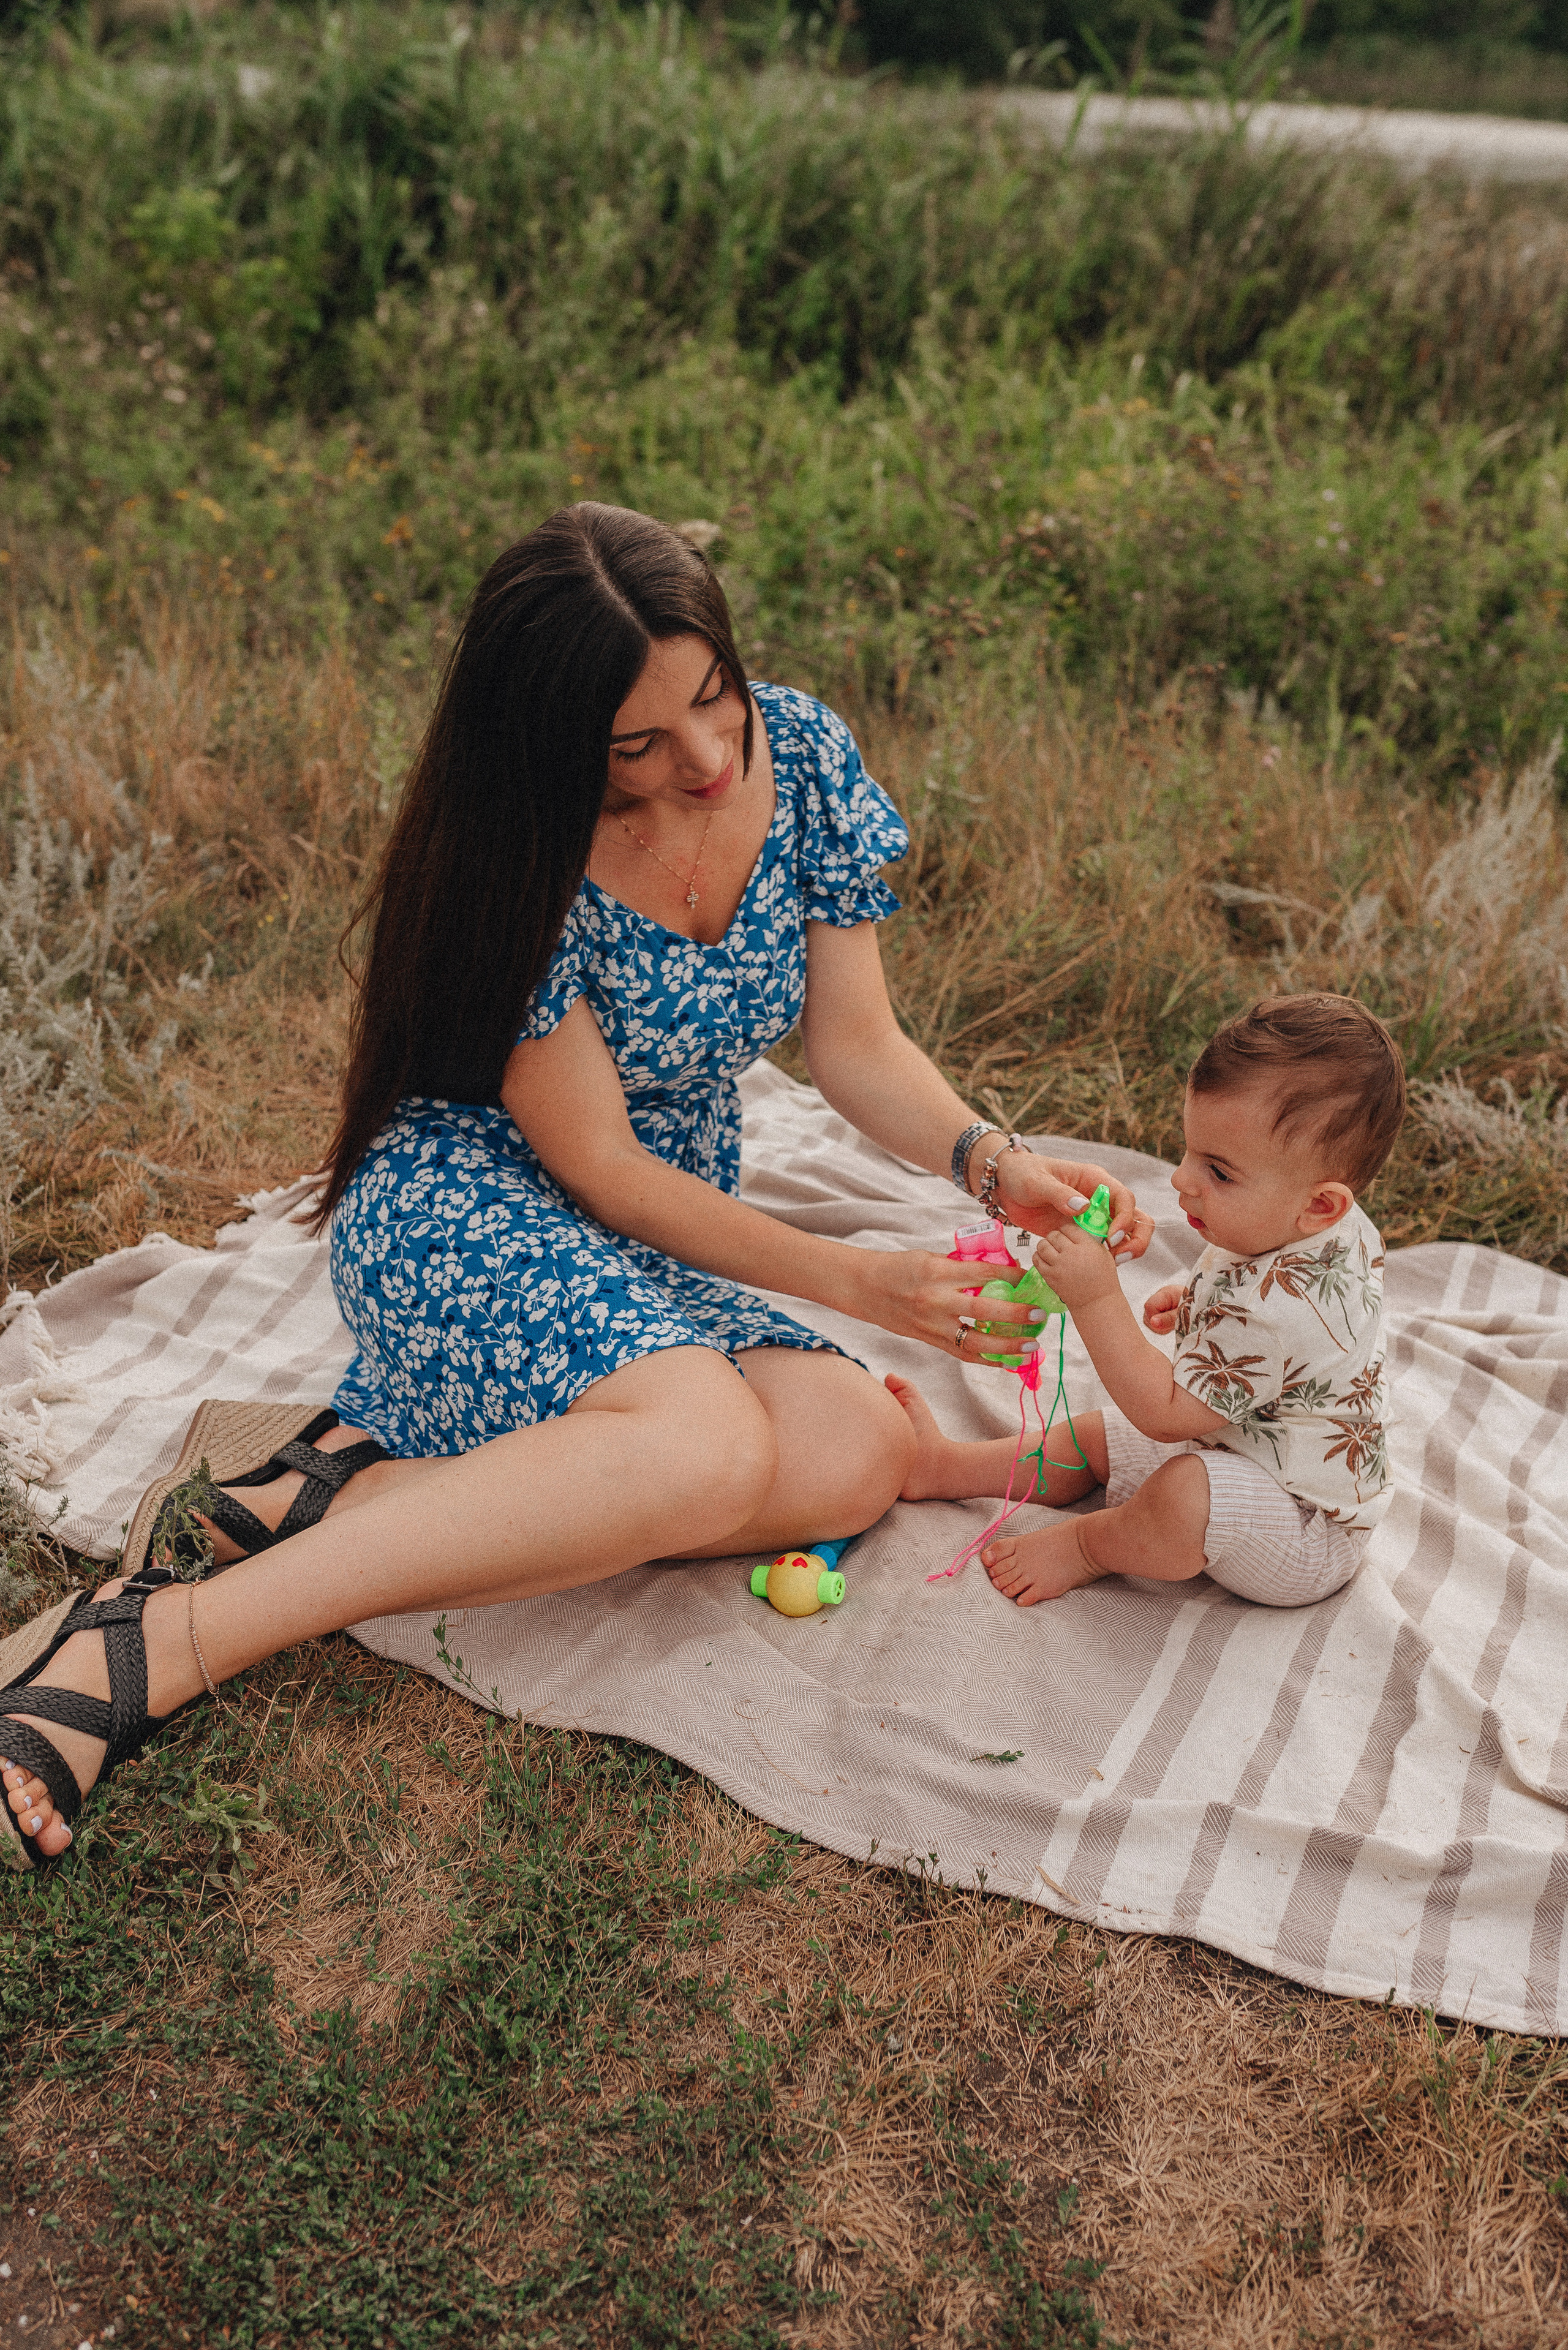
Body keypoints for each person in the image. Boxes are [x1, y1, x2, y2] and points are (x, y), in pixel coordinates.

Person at [1, 502, 1155, 1866]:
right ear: (556, 749)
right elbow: (598, 1167)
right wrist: (860, 1281)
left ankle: (335, 1486)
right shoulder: (525, 851)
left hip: (658, 1230)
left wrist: (993, 1163)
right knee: (710, 1449)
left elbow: (854, 1043)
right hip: (466, 1206)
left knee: (852, 1458)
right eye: (641, 748)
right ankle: (163, 1633)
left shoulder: (806, 755)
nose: (711, 758)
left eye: (714, 700)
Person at [889, 993, 1404, 1607]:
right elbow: (1295, 1333)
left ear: (1321, 1204)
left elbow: (1165, 1413)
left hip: (1302, 1529)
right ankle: (943, 1468)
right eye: (1190, 1151)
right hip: (1249, 1444)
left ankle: (1089, 1546)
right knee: (1096, 1437)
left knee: (1184, 1496)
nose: (1182, 1180)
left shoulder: (1277, 1309)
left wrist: (1096, 1298)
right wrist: (1199, 1302)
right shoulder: (1317, 1226)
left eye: (1218, 1170)